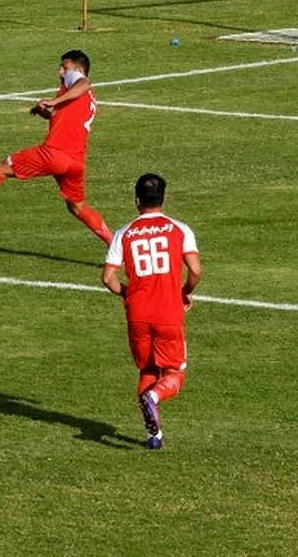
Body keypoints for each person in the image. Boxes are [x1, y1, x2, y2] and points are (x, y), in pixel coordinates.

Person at [0, 50, 112, 245]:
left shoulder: (77, 80)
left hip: (54, 153)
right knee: (77, 208)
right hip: (75, 162)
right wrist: (45, 112)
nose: (60, 72)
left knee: (1, 169)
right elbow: (64, 118)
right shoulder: (85, 99)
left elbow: (84, 83)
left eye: (65, 67)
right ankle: (115, 245)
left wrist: (53, 101)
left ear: (78, 69)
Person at [101, 173, 202, 450]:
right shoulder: (179, 229)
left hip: (137, 313)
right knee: (175, 374)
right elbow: (195, 270)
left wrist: (127, 292)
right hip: (168, 312)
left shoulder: (124, 233)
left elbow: (108, 277)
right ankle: (154, 398)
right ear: (164, 198)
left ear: (136, 201)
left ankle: (153, 435)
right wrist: (183, 291)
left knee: (147, 368)